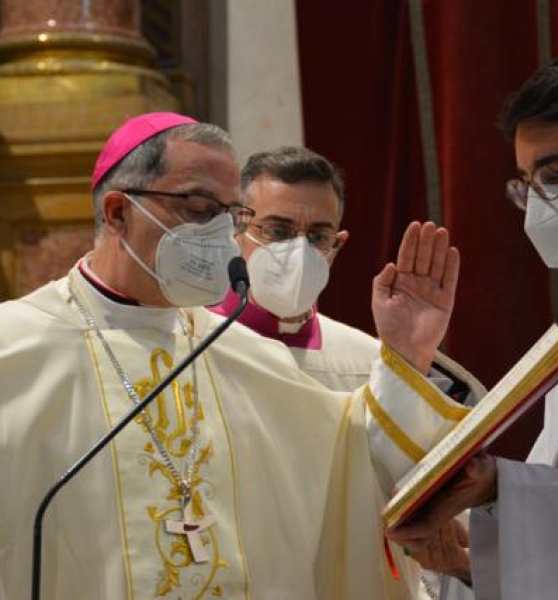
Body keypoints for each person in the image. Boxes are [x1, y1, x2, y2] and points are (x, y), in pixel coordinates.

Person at [0, 112, 471, 600]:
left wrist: (407, 355)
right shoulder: (13, 351)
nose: (222, 234)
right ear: (119, 213)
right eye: (201, 208)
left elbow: (353, 464)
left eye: (232, 216)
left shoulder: (240, 354)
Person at [210, 145, 485, 599]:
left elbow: (426, 510)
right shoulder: (189, 350)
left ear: (337, 246)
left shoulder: (375, 362)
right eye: (277, 230)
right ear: (237, 226)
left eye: (317, 235)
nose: (297, 249)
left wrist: (411, 357)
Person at [389, 45, 558, 600]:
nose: (538, 204)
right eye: (527, 184)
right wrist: (474, 562)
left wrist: (499, 489)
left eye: (555, 176)